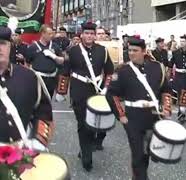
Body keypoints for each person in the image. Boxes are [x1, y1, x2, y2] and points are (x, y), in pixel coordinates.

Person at [106, 35, 171, 180]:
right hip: (133, 118)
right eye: (129, 50)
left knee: (147, 152)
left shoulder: (157, 67)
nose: (131, 53)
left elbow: (166, 89)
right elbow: (111, 94)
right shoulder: (122, 71)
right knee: (138, 154)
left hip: (153, 116)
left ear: (144, 51)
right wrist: (121, 115)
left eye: (135, 50)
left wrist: (166, 108)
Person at [57, 22, 114, 171]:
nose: (89, 36)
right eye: (86, 33)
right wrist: (61, 91)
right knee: (83, 124)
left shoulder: (103, 50)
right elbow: (65, 71)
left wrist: (107, 88)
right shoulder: (73, 51)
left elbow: (109, 71)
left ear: (95, 35)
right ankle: (86, 155)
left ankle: (87, 145)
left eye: (91, 33)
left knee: (96, 123)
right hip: (79, 91)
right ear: (81, 34)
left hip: (98, 91)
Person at [0, 26, 53, 150]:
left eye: (2, 43)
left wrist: (38, 142)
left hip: (22, 154)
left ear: (10, 46)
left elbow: (43, 112)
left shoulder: (29, 77)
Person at [26, 24, 65, 98]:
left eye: (52, 34)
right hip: (38, 79)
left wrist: (54, 57)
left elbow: (62, 61)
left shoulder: (54, 46)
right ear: (43, 34)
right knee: (37, 100)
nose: (51, 36)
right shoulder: (33, 47)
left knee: (48, 100)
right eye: (49, 34)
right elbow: (27, 63)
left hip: (51, 79)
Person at [167, 34, 186, 124]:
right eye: (181, 41)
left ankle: (183, 114)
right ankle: (180, 114)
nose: (182, 43)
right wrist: (169, 76)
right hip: (178, 76)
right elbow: (170, 65)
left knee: (185, 96)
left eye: (184, 41)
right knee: (179, 96)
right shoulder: (175, 52)